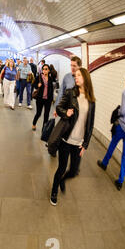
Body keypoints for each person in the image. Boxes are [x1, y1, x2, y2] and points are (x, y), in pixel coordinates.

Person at [50, 68, 96, 206]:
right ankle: (54, 191)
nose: (76, 78)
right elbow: (59, 107)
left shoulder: (91, 100)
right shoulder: (70, 93)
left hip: (79, 142)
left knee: (74, 171)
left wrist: (86, 144)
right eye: (75, 76)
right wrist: (66, 113)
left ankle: (63, 180)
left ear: (86, 78)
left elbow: (91, 123)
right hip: (66, 139)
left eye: (79, 76)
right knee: (61, 168)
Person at [97, 71, 125, 191]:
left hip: (122, 126)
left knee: (113, 144)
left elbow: (123, 111)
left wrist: (118, 111)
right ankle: (120, 181)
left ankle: (104, 164)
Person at [32, 64, 54, 130]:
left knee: (46, 115)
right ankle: (34, 123)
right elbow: (34, 85)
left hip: (48, 99)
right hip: (40, 99)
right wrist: (37, 85)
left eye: (46, 69)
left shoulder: (50, 78)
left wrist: (51, 99)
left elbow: (51, 89)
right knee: (38, 113)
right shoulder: (39, 77)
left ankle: (44, 129)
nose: (44, 70)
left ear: (49, 70)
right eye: (43, 69)